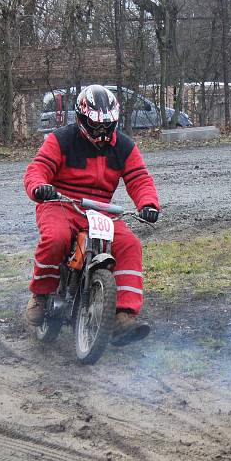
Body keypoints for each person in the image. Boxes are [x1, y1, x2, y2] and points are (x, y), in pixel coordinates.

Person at [24, 84, 161, 345]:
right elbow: (38, 168)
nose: (100, 131)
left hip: (100, 209)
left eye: (106, 126)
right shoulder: (60, 140)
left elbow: (139, 178)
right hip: (60, 202)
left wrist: (149, 204)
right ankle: (40, 296)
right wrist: (39, 187)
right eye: (94, 125)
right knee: (56, 238)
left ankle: (124, 315)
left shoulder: (124, 146)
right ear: (81, 118)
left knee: (130, 245)